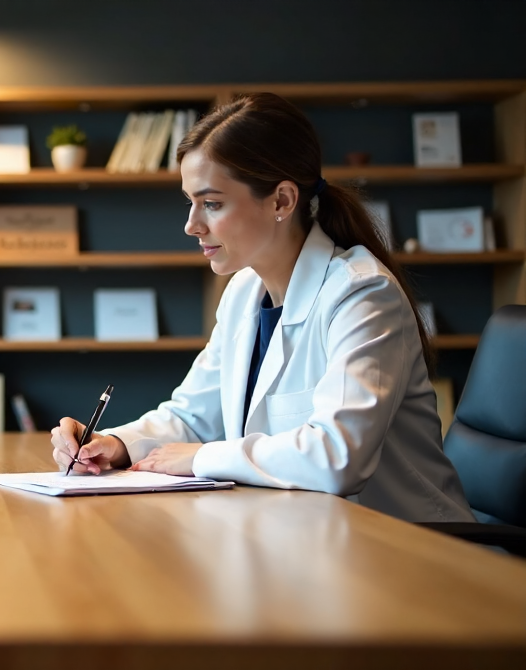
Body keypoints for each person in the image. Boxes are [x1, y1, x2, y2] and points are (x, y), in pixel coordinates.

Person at [51, 93, 473, 523]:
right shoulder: (242, 292)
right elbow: (192, 417)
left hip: (408, 551)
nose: (191, 224)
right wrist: (114, 444)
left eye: (212, 203)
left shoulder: (363, 295)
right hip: (302, 536)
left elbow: (338, 456)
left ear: (282, 201)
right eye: (190, 202)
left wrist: (201, 458)